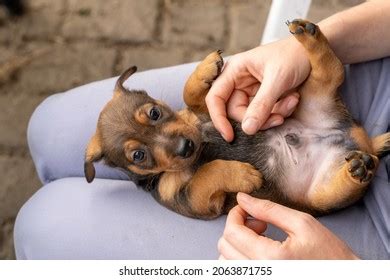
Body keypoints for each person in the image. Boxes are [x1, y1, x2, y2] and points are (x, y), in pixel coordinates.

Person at [14, 1, 389, 259]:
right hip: (313, 119)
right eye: (140, 156)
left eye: (156, 116)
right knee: (47, 126)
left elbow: (204, 201)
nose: (175, 143)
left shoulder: (177, 143)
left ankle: (353, 174)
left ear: (144, 95)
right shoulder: (164, 183)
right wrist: (298, 48)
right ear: (129, 169)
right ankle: (333, 90)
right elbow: (195, 189)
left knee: (42, 221)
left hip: (311, 181)